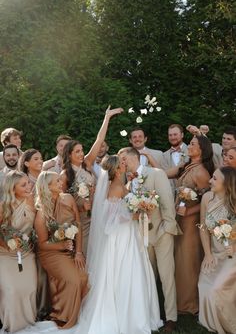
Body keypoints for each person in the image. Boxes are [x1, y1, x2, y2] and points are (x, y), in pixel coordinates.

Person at [75, 155, 163, 334]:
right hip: (121, 237)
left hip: (127, 234)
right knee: (126, 271)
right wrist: (135, 214)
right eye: (122, 163)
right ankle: (128, 318)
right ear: (116, 169)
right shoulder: (115, 188)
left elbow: (122, 206)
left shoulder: (119, 185)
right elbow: (110, 221)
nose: (125, 164)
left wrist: (136, 203)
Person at [118, 147, 180, 333]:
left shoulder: (156, 173)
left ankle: (171, 317)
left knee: (167, 276)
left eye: (123, 159)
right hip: (140, 236)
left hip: (161, 233)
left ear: (132, 158)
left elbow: (167, 202)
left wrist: (168, 228)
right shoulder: (128, 182)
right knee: (147, 276)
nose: (121, 163)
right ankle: (152, 314)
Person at [60, 106, 123, 256]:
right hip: (81, 220)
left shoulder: (87, 163)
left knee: (101, 254)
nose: (82, 154)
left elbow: (99, 139)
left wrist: (107, 117)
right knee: (87, 253)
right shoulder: (64, 175)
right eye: (77, 151)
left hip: (99, 214)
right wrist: (80, 207)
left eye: (82, 150)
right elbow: (62, 202)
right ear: (69, 155)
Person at [34, 171, 88, 329]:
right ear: (47, 187)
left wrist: (78, 252)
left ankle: (73, 311)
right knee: (74, 280)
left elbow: (77, 225)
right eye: (56, 181)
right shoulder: (42, 213)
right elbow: (42, 244)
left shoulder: (68, 198)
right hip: (51, 253)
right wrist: (62, 246)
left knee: (84, 276)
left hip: (70, 250)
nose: (61, 183)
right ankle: (61, 315)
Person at [170, 135, 214, 315]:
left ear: (202, 150)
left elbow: (207, 200)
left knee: (188, 262)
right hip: (181, 220)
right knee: (180, 261)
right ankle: (181, 301)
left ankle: (190, 305)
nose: (189, 146)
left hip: (192, 223)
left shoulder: (202, 172)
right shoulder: (188, 166)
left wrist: (188, 212)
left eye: (193, 144)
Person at [198, 167, 236, 334]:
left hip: (232, 255)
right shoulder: (207, 197)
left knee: (217, 289)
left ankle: (231, 326)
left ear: (226, 184)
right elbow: (203, 227)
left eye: (214, 178)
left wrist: (234, 246)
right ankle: (211, 323)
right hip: (213, 251)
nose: (210, 181)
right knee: (203, 285)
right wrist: (207, 254)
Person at [0, 171, 37, 332]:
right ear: (12, 189)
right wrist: (8, 243)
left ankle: (28, 322)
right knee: (12, 290)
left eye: (28, 182)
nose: (29, 186)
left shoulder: (33, 200)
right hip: (6, 254)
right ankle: (12, 325)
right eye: (24, 185)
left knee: (29, 288)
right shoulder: (3, 206)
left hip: (28, 253)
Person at [18, 148, 49, 320]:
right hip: (29, 229)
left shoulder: (45, 177)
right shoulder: (24, 181)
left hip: (47, 227)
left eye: (41, 158)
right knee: (35, 271)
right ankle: (35, 308)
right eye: (36, 159)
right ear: (27, 163)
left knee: (45, 269)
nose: (40, 160)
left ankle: (45, 307)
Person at [161, 124, 189, 196]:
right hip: (171, 195)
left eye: (175, 134)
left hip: (189, 194)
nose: (172, 137)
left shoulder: (190, 150)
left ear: (182, 135)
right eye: (170, 135)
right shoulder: (164, 155)